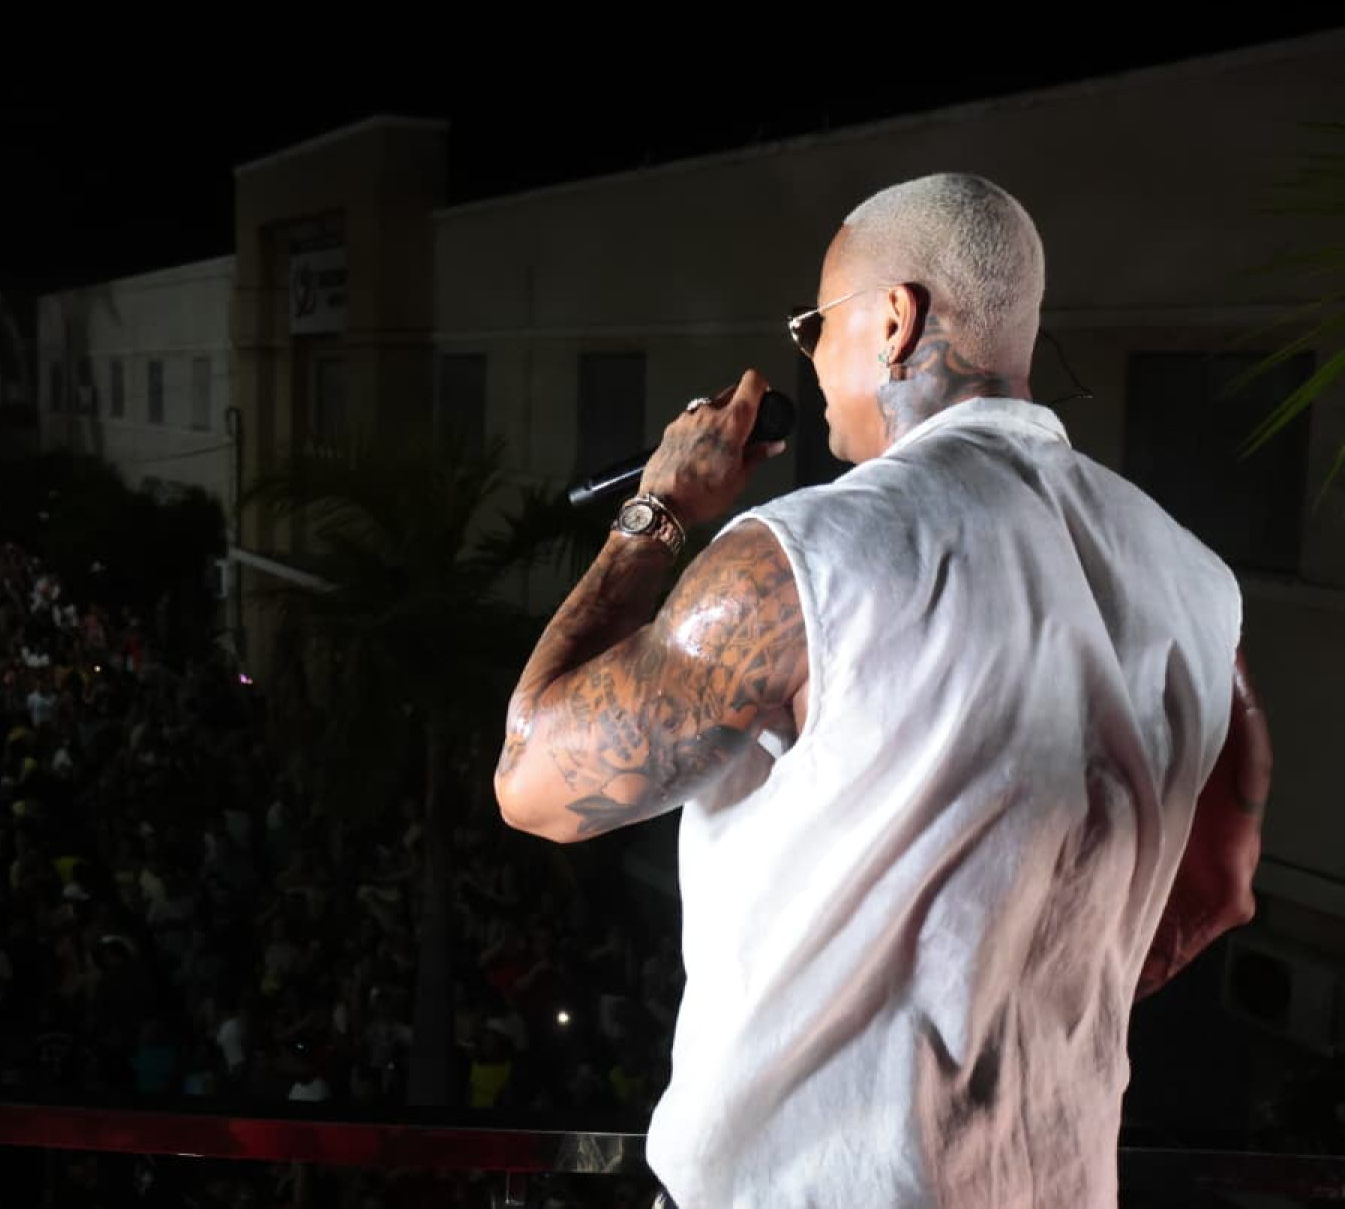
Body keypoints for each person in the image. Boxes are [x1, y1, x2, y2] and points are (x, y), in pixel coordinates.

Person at [494, 174, 1273, 1208]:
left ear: (895, 319)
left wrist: (659, 512)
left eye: (814, 325)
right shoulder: (1199, 585)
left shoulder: (806, 554)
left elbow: (532, 778)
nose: (810, 357)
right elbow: (1221, 885)